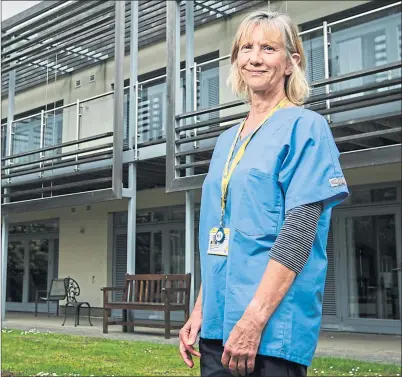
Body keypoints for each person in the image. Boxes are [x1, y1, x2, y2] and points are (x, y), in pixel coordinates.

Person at [179, 10, 349, 377]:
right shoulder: (227, 139)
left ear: (291, 62)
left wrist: (253, 321)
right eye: (246, 48)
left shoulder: (306, 127)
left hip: (269, 331)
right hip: (217, 326)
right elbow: (221, 234)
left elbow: (299, 233)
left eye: (268, 48)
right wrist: (199, 310)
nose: (254, 57)